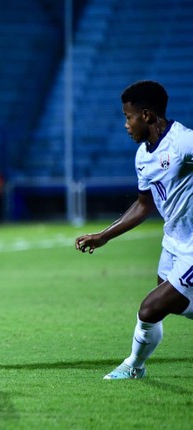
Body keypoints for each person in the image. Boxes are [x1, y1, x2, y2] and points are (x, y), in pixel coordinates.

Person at [75, 80, 193, 380]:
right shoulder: (143, 155)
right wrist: (104, 236)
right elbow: (143, 204)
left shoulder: (182, 143)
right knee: (176, 305)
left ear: (147, 116)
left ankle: (133, 366)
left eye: (128, 117)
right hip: (174, 241)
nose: (126, 124)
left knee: (150, 309)